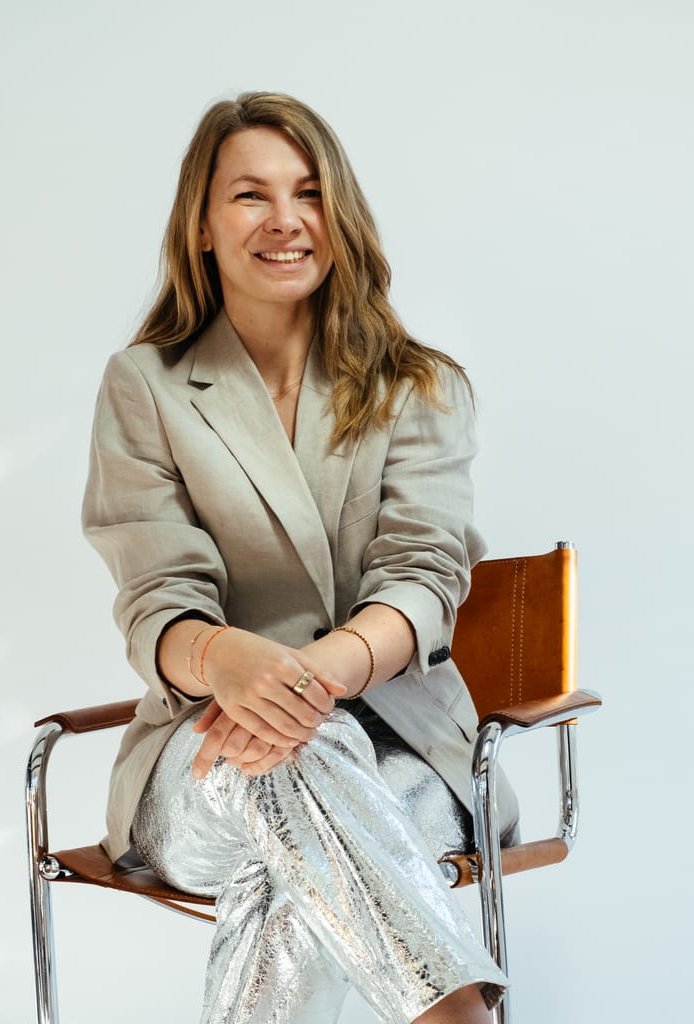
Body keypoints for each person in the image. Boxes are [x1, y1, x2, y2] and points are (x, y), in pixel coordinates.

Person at [82, 91, 519, 1024]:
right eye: (250, 195)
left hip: (403, 749)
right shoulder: (146, 386)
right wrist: (223, 660)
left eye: (309, 192)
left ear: (339, 215)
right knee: (286, 768)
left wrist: (304, 681)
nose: (286, 220)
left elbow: (427, 572)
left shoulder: (418, 385)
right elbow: (154, 589)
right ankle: (459, 1014)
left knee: (287, 877)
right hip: (202, 756)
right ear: (201, 225)